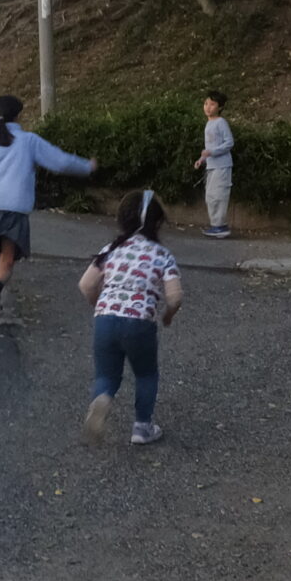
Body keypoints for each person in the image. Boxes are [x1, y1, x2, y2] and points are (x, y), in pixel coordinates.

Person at [0, 94, 96, 324]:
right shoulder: (28, 140)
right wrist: (86, 166)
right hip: (15, 210)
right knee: (7, 260)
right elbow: (60, 161)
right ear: (18, 115)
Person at [79, 189, 183, 445]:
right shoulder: (163, 255)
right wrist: (168, 315)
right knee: (146, 374)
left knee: (106, 375)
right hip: (139, 322)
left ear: (122, 220)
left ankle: (102, 398)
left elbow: (86, 284)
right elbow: (174, 297)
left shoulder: (110, 250)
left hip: (105, 318)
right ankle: (142, 428)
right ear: (157, 223)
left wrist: (99, 304)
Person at [193, 89, 234, 238]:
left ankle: (220, 226)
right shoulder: (209, 124)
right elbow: (209, 148)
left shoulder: (221, 123)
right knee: (210, 196)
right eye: (206, 103)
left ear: (220, 107)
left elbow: (229, 142)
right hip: (211, 166)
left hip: (222, 166)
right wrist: (201, 159)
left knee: (218, 195)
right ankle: (216, 225)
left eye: (212, 104)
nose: (208, 107)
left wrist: (212, 152)